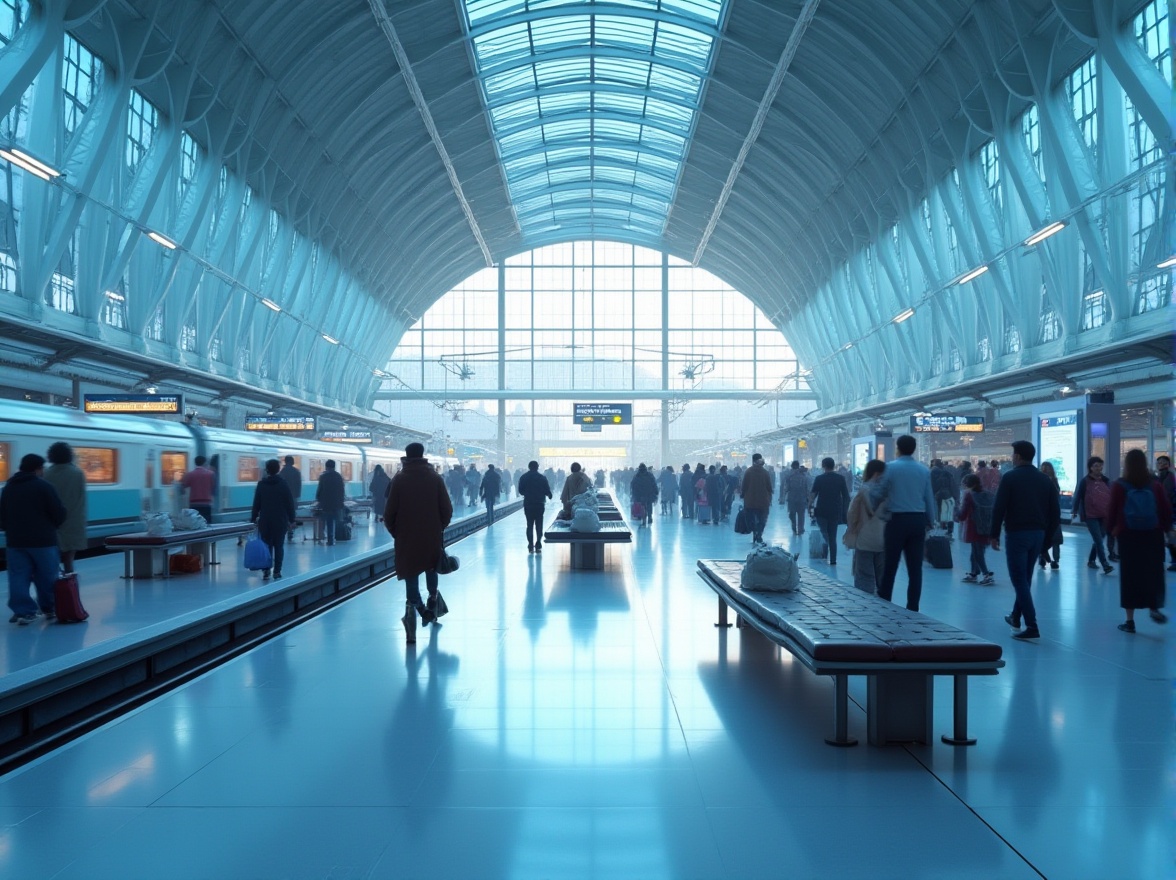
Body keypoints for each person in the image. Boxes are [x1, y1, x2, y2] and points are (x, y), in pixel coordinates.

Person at [990, 440, 1060, 641]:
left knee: (1019, 580)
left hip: (1017, 535)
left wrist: (994, 534)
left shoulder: (1010, 478)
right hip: (1037, 535)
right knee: (1025, 579)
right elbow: (1055, 513)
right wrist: (1046, 540)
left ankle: (1032, 625)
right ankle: (1015, 616)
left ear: (1018, 456)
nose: (1012, 458)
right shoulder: (1045, 480)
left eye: (1013, 454)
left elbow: (999, 508)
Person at [384, 442, 453, 639]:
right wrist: (439, 527)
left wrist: (396, 532)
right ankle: (433, 601)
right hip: (431, 535)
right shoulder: (435, 478)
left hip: (407, 536)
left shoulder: (399, 480)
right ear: (423, 455)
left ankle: (417, 614)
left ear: (405, 456)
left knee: (411, 570)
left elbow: (389, 513)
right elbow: (447, 510)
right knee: (432, 566)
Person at [1106, 448, 1172, 633]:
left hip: (1128, 536)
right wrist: (1167, 530)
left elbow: (1112, 510)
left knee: (1130, 576)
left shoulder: (1120, 485)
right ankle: (1154, 607)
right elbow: (1165, 510)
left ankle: (1129, 621)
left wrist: (1110, 531)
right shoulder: (1155, 485)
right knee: (1153, 573)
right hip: (1153, 534)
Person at [870, 434, 936, 612]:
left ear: (897, 448)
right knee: (915, 569)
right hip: (917, 521)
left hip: (897, 521)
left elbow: (878, 493)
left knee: (890, 564)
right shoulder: (923, 470)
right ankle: (913, 607)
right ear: (914, 449)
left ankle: (885, 603)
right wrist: (931, 520)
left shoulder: (890, 468)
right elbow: (928, 498)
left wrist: (872, 507)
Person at [0, 454, 65, 624]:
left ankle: (24, 612)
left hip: (16, 542)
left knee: (18, 577)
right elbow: (58, 513)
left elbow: (2, 515)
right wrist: (54, 525)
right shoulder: (44, 487)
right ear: (37, 469)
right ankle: (49, 608)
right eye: (42, 468)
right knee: (46, 576)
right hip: (43, 541)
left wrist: (10, 530)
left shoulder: (9, 487)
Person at [843, 459, 887, 593]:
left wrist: (851, 530)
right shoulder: (888, 492)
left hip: (864, 537)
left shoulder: (862, 492)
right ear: (878, 474)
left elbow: (852, 515)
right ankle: (884, 603)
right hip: (884, 538)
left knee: (864, 575)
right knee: (883, 575)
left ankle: (865, 603)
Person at [43, 441, 86, 574]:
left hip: (51, 523)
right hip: (73, 522)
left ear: (51, 456)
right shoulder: (78, 474)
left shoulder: (46, 474)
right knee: (69, 560)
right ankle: (69, 588)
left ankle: (54, 586)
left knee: (51, 560)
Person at [250, 459, 296, 579]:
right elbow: (289, 503)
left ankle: (266, 570)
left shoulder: (261, 484)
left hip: (265, 520)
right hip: (280, 520)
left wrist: (253, 518)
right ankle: (277, 571)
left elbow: (256, 504)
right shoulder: (283, 484)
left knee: (267, 545)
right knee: (279, 546)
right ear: (278, 469)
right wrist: (292, 519)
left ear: (267, 470)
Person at [1072, 456, 1114, 574]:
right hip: (1091, 515)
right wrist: (1074, 511)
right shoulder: (1085, 481)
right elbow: (1078, 496)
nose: (1098, 468)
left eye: (1100, 465)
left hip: (1104, 514)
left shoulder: (1106, 480)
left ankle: (1091, 560)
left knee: (1099, 539)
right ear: (1090, 468)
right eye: (1096, 466)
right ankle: (1105, 564)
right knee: (1099, 540)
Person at [955, 473, 994, 585]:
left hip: (974, 527)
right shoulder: (989, 494)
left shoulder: (969, 495)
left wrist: (956, 510)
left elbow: (962, 515)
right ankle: (974, 572)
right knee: (976, 550)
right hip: (987, 527)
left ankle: (986, 574)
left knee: (977, 553)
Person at [810, 457, 850, 566]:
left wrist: (810, 508)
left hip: (821, 511)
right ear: (834, 466)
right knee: (833, 536)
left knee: (824, 533)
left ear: (823, 466)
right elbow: (846, 496)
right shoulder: (840, 478)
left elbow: (813, 495)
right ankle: (833, 560)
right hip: (835, 511)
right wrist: (845, 510)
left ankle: (824, 555)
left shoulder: (819, 479)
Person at [517, 460, 552, 553]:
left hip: (528, 503)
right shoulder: (542, 478)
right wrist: (548, 494)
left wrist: (528, 494)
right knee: (539, 524)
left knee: (529, 525)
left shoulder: (524, 477)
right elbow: (547, 490)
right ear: (537, 467)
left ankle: (530, 545)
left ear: (529, 467)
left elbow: (520, 491)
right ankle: (538, 543)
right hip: (539, 503)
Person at [739, 453, 774, 544]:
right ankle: (759, 534)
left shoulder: (748, 472)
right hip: (763, 502)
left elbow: (744, 486)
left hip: (750, 501)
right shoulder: (765, 472)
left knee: (750, 518)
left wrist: (742, 494)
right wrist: (770, 496)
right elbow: (769, 487)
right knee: (762, 519)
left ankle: (754, 531)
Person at [1037, 461, 1063, 570]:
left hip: (1050, 513)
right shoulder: (1043, 481)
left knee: (1054, 538)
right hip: (1046, 514)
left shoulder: (1052, 481)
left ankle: (1053, 559)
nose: (1045, 470)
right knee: (1049, 537)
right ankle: (1045, 557)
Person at [315, 459, 346, 545]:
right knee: (335, 520)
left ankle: (326, 538)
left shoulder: (323, 477)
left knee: (326, 520)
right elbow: (342, 490)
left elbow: (320, 489)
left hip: (326, 503)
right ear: (334, 466)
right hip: (336, 502)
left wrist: (318, 499)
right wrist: (341, 501)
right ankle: (334, 538)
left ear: (326, 466)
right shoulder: (338, 476)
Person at [180, 455, 216, 522]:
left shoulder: (190, 474)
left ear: (195, 463)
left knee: (195, 523)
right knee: (207, 522)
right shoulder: (211, 474)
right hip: (206, 503)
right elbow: (213, 487)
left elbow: (183, 487)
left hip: (194, 503)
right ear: (205, 463)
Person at [1155, 455, 1176, 571]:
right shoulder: (1160, 477)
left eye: (1163, 462)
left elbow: (1166, 494)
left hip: (1168, 512)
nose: (1161, 464)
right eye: (1159, 462)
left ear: (1168, 464)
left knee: (1170, 537)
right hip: (1163, 512)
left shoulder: (1169, 476)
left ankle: (1174, 561)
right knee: (1165, 537)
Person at [279, 455, 302, 541]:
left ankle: (284, 530)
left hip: (283, 498)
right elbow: (298, 485)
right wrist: (297, 496)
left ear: (285, 462)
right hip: (293, 497)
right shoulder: (296, 472)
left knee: (284, 515)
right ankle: (290, 532)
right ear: (292, 462)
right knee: (292, 515)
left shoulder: (282, 472)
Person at [784, 462, 809, 536]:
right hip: (802, 498)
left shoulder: (789, 475)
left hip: (792, 499)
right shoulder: (804, 475)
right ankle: (800, 529)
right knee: (801, 515)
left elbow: (786, 488)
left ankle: (794, 528)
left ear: (792, 467)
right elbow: (807, 487)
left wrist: (784, 495)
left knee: (792, 514)